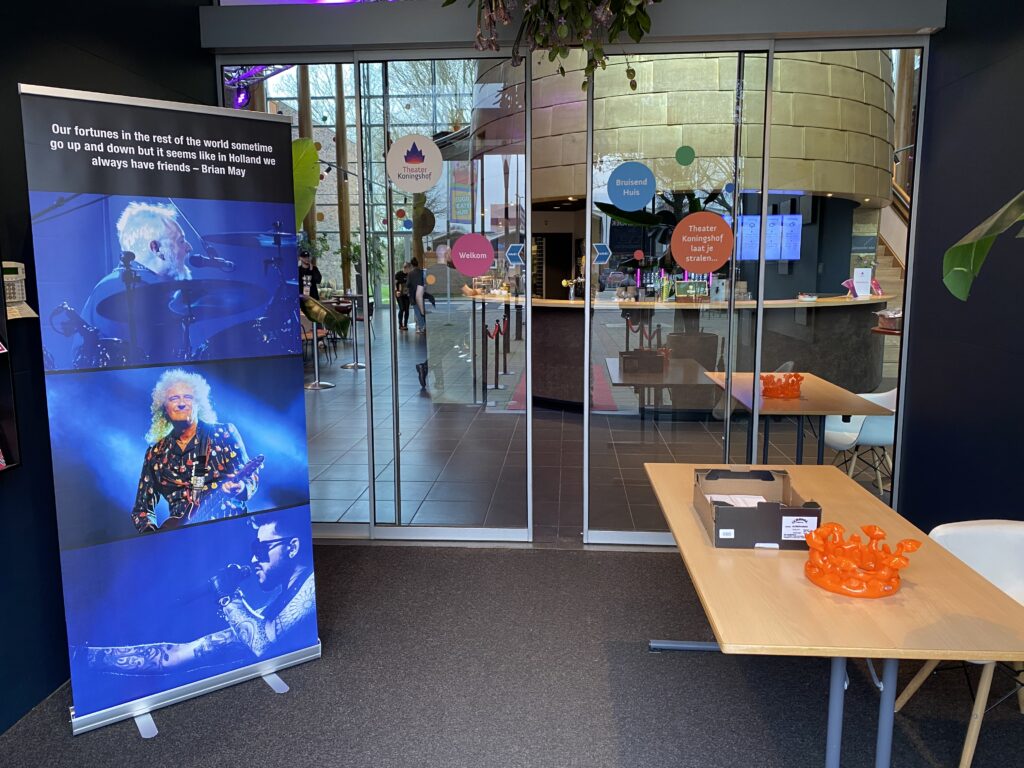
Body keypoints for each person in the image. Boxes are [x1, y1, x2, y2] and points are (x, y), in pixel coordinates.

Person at [79, 513, 317, 674]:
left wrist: (228, 598)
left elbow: (263, 647)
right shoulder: (274, 610)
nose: (254, 559)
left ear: (293, 547)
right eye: (253, 549)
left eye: (262, 549)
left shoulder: (310, 586)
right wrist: (85, 657)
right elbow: (179, 655)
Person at [131, 368, 258, 533]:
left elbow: (250, 478)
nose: (181, 403)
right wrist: (157, 540)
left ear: (198, 403)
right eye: (174, 398)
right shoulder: (155, 454)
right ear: (163, 408)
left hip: (229, 530)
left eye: (188, 397)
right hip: (184, 541)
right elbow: (141, 510)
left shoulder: (223, 434)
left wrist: (241, 487)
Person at [76, 202, 195, 365]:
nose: (189, 247)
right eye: (181, 241)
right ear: (156, 248)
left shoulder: (151, 288)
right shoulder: (118, 289)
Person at [394, 261, 411, 330]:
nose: (410, 270)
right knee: (402, 308)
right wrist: (396, 291)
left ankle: (405, 324)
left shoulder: (409, 275)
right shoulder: (398, 274)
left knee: (407, 310)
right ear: (406, 268)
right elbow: (394, 284)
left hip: (407, 294)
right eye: (409, 268)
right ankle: (400, 325)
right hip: (399, 294)